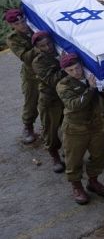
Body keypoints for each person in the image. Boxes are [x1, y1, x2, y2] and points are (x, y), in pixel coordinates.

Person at [56, 53, 104, 205]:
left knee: (99, 156)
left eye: (77, 68)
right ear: (65, 71)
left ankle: (93, 181)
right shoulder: (63, 85)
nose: (76, 72)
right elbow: (74, 105)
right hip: (75, 128)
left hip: (95, 125)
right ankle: (77, 187)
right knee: (73, 160)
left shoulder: (91, 77)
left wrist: (102, 84)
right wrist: (91, 89)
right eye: (71, 70)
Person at [3, 8, 40, 144]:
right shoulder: (13, 39)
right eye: (17, 24)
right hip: (31, 74)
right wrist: (38, 46)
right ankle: (28, 126)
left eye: (23, 21)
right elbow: (24, 57)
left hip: (47, 69)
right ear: (11, 25)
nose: (22, 25)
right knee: (31, 100)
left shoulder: (34, 27)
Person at [31, 32, 66, 173]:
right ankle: (54, 155)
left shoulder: (59, 50)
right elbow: (52, 80)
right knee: (50, 130)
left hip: (65, 96)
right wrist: (65, 65)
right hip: (50, 99)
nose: (48, 47)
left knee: (70, 126)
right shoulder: (38, 62)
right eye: (43, 46)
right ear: (38, 48)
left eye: (49, 43)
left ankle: (69, 151)